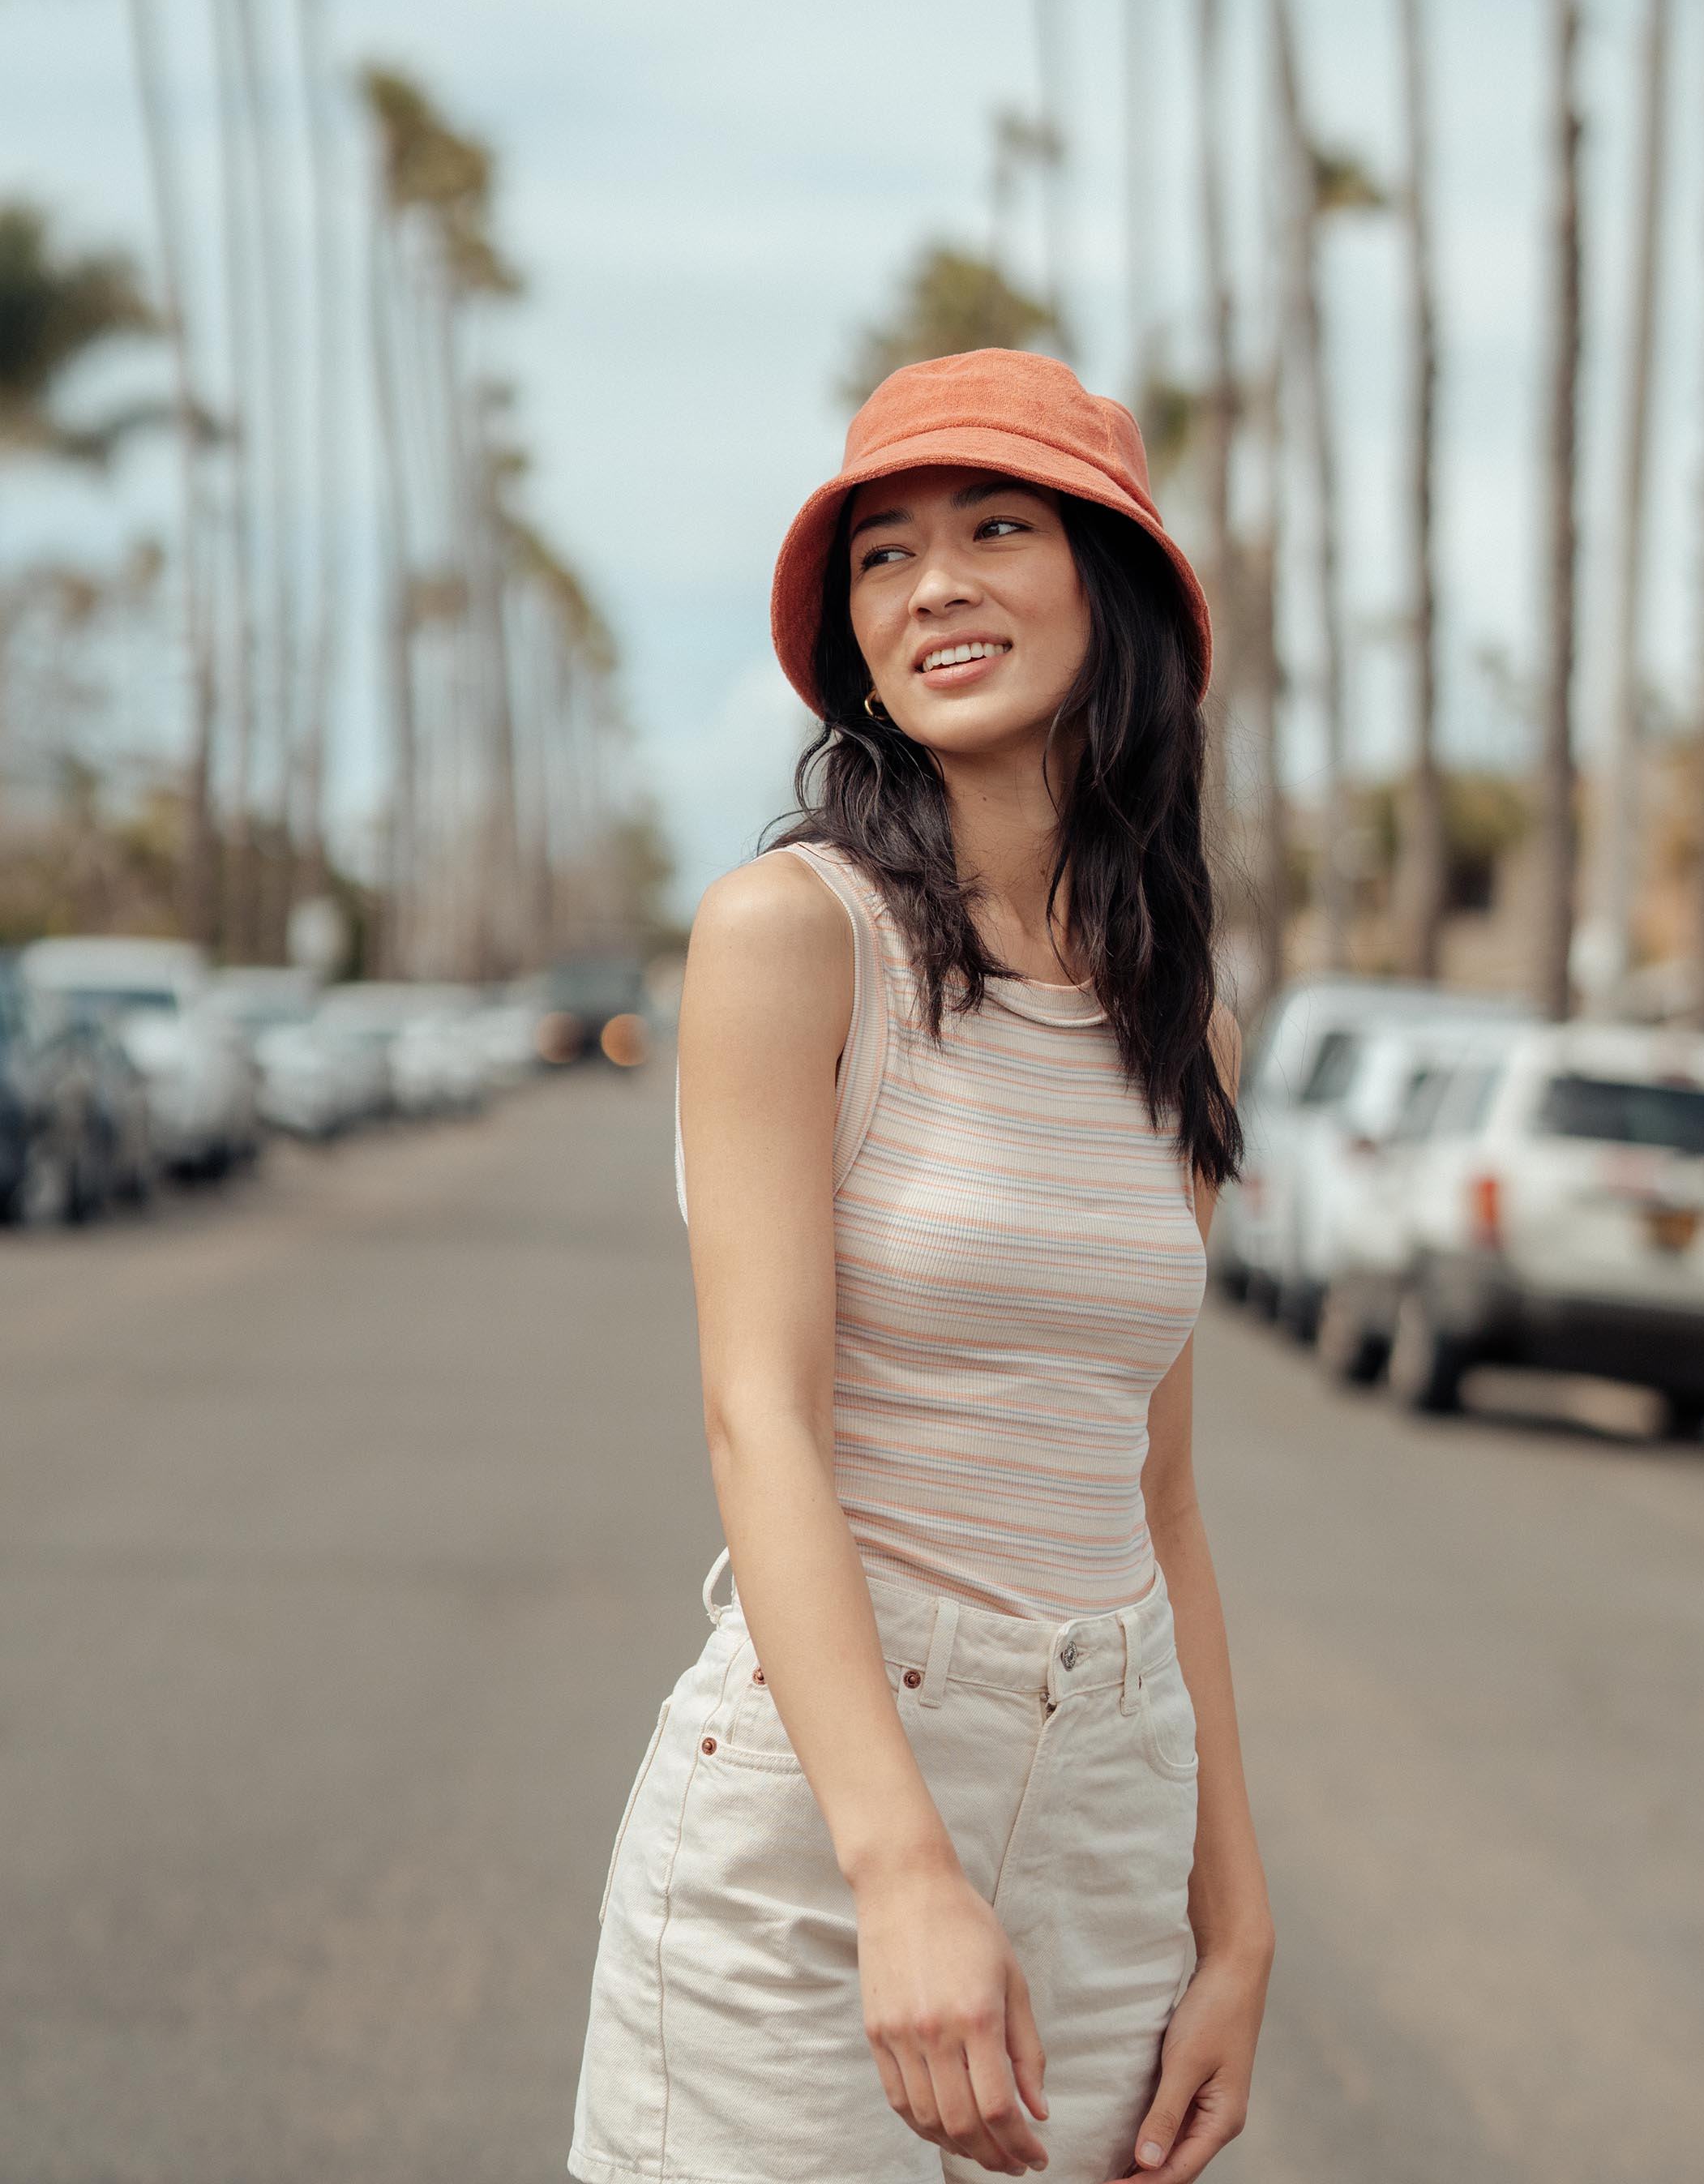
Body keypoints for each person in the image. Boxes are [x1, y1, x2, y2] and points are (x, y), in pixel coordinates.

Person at [569, 348, 1273, 2184]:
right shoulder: (795, 937)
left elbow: (1165, 1497)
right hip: (822, 1828)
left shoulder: (1175, 1012)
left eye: (995, 529)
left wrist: (1237, 1928)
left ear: (1109, 591)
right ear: (854, 639)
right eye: (883, 555)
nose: (934, 582)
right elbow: (761, 1423)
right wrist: (899, 1872)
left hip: (1116, 1805)